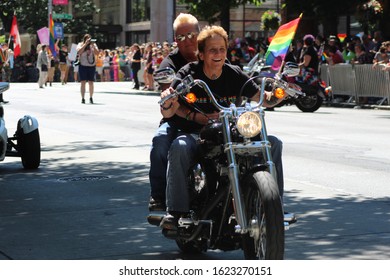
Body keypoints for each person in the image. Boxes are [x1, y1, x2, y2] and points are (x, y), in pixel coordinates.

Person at [158, 25, 285, 229]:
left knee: (273, 144)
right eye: (212, 50)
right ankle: (175, 211)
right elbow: (169, 109)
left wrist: (279, 93)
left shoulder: (234, 74)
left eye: (222, 49)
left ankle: (274, 207)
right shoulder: (189, 74)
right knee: (180, 147)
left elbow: (264, 99)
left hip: (232, 133)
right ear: (201, 54)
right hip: (197, 133)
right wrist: (181, 108)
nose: (218, 54)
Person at [148, 13, 200, 211]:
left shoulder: (211, 54)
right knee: (160, 142)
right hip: (179, 121)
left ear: (199, 33)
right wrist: (190, 114)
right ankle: (158, 196)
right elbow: (168, 97)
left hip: (213, 119)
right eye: (181, 37)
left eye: (191, 35)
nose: (187, 41)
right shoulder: (169, 64)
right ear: (175, 40)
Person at [76, 34, 99, 104]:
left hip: (91, 66)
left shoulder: (93, 45)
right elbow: (78, 52)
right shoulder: (80, 44)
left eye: (90, 39)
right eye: (87, 39)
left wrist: (92, 46)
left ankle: (91, 97)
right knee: (83, 82)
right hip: (83, 65)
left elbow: (97, 53)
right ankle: (83, 98)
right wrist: (85, 44)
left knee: (91, 82)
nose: (89, 40)